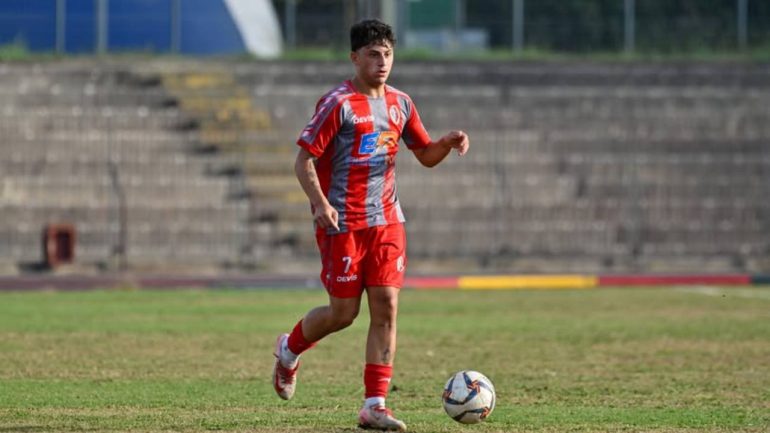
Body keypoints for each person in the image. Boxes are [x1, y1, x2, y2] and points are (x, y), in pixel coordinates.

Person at [272, 19, 469, 431]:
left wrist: (446, 144)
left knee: (387, 306)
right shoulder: (338, 104)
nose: (382, 62)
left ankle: (374, 404)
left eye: (388, 54)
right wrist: (321, 204)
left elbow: (425, 154)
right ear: (355, 58)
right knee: (343, 313)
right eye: (373, 54)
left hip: (387, 221)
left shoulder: (402, 104)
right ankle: (289, 349)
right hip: (342, 223)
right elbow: (304, 160)